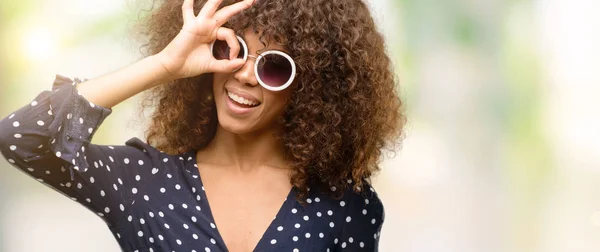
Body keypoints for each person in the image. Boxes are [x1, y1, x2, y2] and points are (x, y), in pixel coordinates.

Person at [0, 0, 404, 251]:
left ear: (313, 86)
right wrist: (164, 65)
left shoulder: (346, 208)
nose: (245, 75)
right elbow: (20, 137)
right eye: (232, 49)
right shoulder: (144, 179)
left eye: (275, 66)